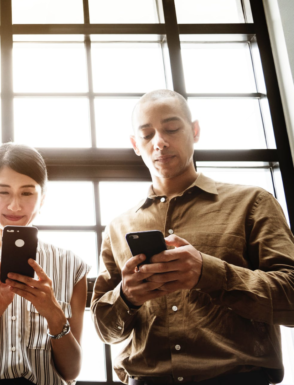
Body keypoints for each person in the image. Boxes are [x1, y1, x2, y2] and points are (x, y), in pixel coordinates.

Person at [91, 89, 294, 384]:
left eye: (171, 128)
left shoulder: (253, 202)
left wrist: (209, 273)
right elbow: (104, 329)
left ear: (195, 131)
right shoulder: (118, 227)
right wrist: (127, 296)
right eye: (147, 135)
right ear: (135, 145)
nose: (159, 141)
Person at [0, 143, 90, 385]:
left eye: (27, 193)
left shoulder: (72, 266)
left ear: (42, 198)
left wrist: (53, 313)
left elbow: (71, 372)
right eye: (2, 192)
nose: (14, 206)